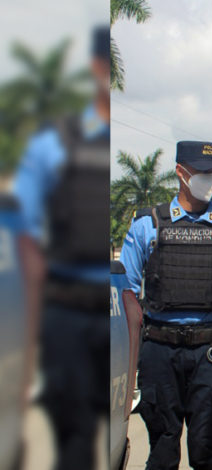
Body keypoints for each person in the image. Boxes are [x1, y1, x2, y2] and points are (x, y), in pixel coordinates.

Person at [120, 141, 212, 470]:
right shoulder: (148, 225)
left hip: (211, 353)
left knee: (208, 448)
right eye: (201, 172)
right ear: (180, 173)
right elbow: (126, 296)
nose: (209, 179)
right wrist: (126, 367)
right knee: (162, 450)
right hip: (159, 350)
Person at [12, 25, 111, 470]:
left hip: (111, 311)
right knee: (73, 438)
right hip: (66, 312)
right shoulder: (54, 141)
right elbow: (25, 233)